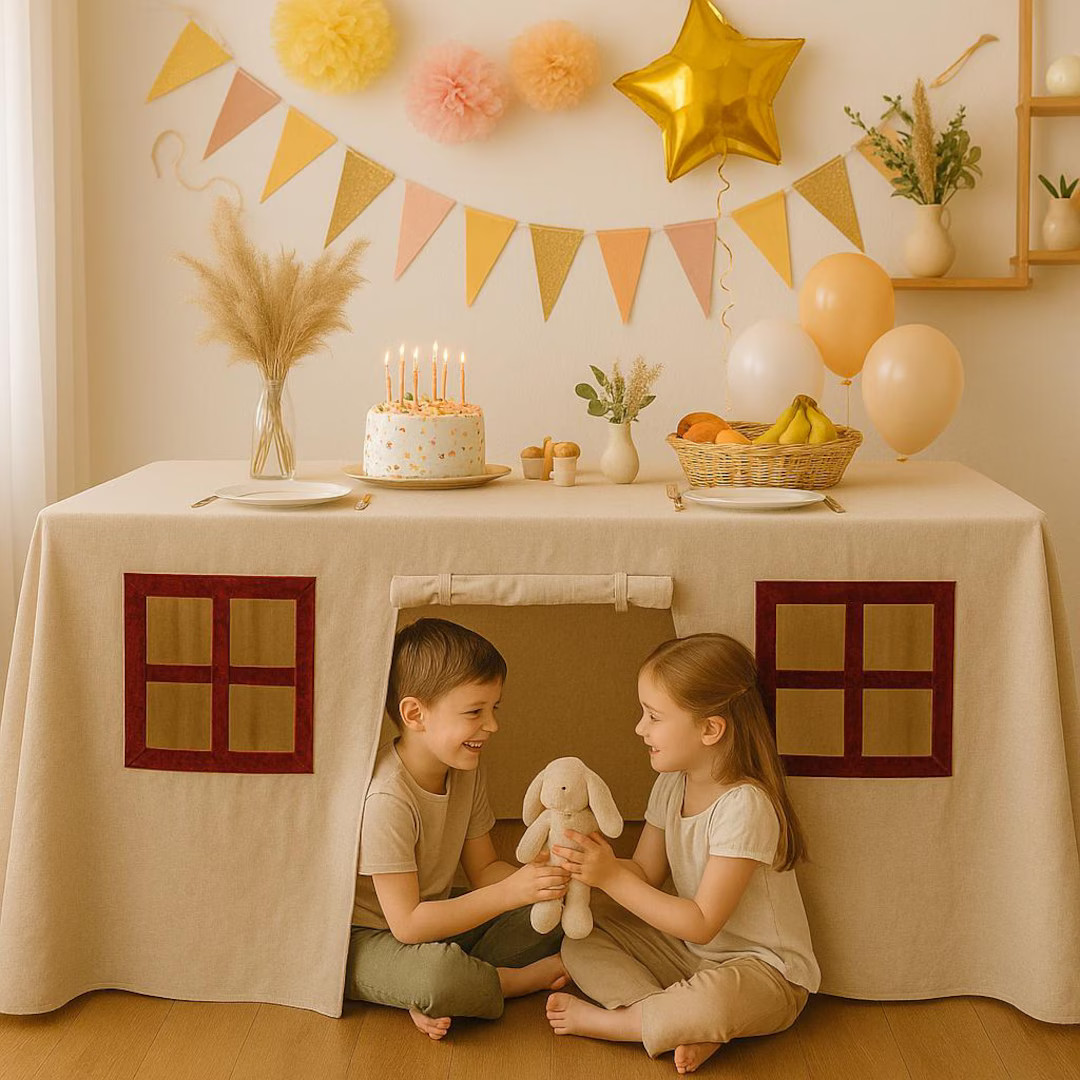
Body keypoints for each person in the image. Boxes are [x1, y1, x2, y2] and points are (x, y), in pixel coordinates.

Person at [547, 633, 820, 1075]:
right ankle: (674, 1020)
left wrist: (611, 878)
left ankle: (619, 1023)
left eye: (653, 716)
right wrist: (587, 863)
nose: (640, 728)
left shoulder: (745, 805)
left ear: (711, 728)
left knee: (715, 1000)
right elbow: (645, 872)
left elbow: (703, 922)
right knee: (582, 942)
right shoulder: (672, 783)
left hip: (764, 972)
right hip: (687, 955)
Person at [346, 617, 569, 1039]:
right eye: (474, 712)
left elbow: (484, 870)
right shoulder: (387, 798)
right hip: (370, 936)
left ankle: (436, 991)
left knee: (550, 912)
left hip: (436, 916)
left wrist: (541, 878)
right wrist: (508, 892)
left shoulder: (464, 768)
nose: (492, 725)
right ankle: (500, 983)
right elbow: (408, 925)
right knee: (438, 977)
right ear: (415, 714)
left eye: (493, 708)